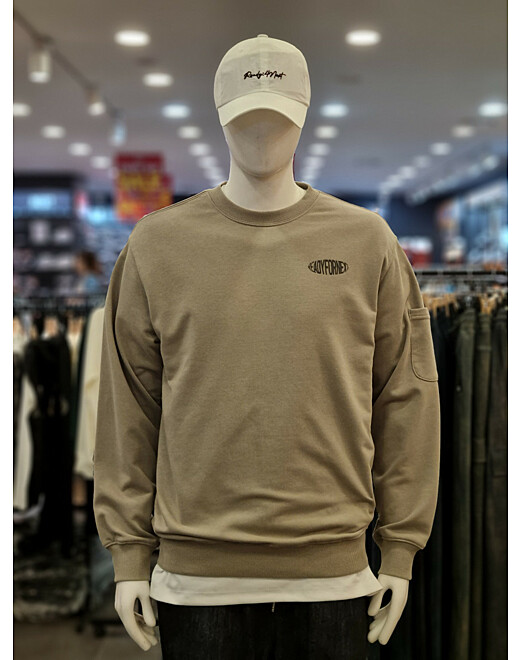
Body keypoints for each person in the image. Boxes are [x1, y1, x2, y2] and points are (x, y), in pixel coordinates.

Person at [93, 35, 441, 659]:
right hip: (195, 579)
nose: (261, 135)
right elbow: (128, 409)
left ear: (303, 116)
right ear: (219, 116)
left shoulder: (368, 241)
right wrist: (128, 555)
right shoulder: (157, 245)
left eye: (277, 118)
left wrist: (400, 547)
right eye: (245, 118)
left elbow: (405, 397)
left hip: (336, 576)